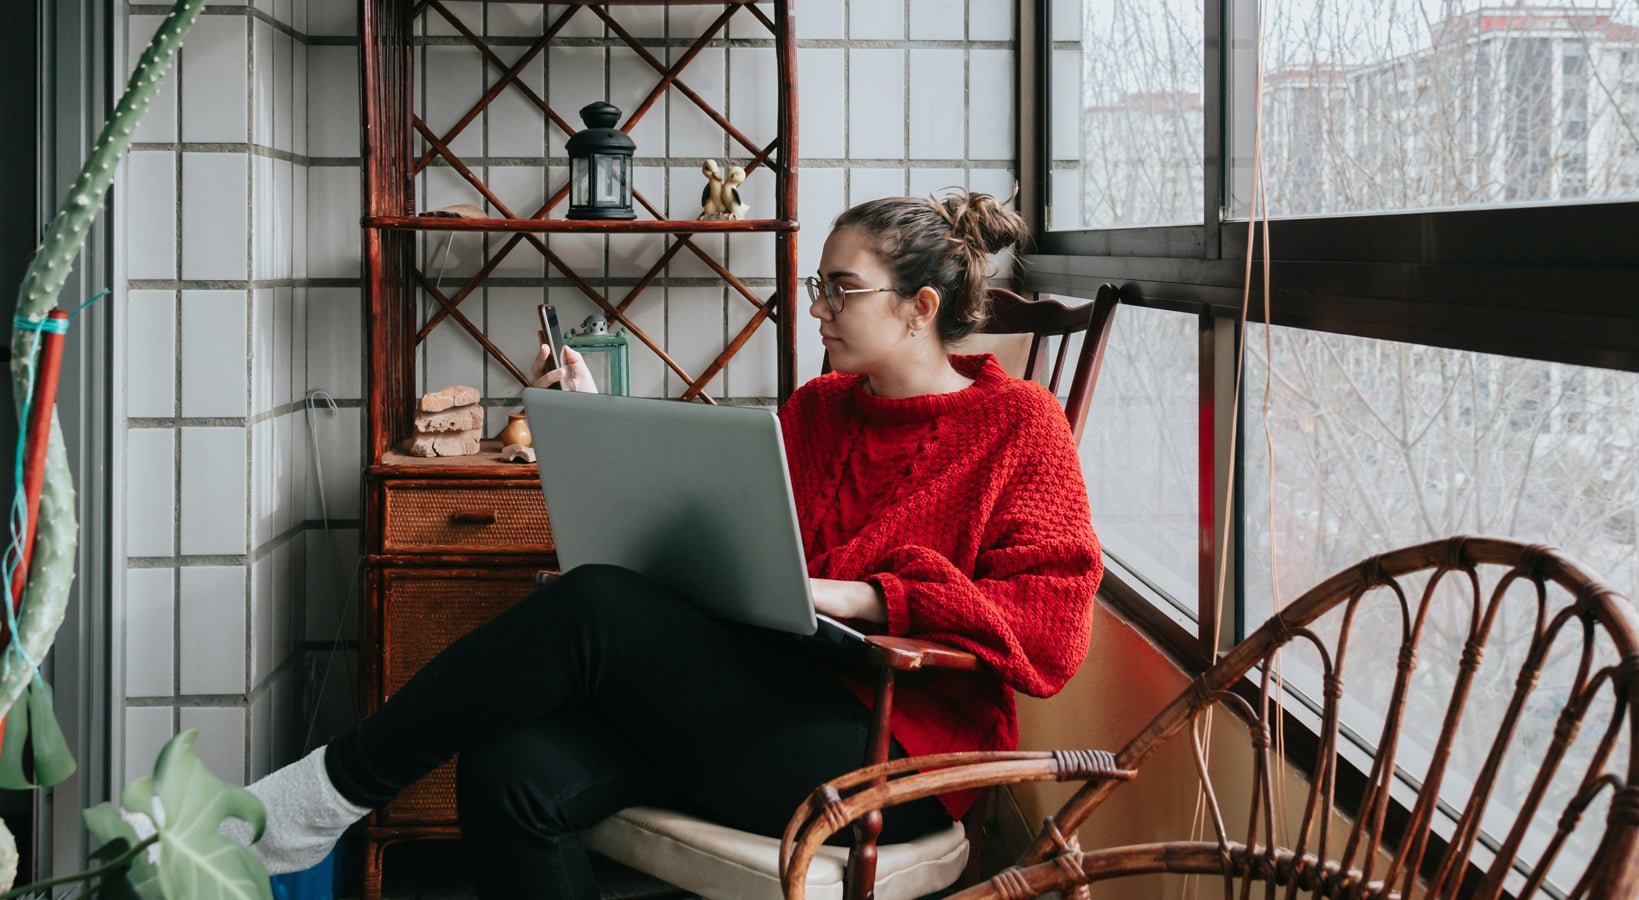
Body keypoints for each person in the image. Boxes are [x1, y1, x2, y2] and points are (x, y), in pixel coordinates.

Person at [230, 189, 1105, 897]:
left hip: (893, 753)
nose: (819, 308)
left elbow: (1051, 625)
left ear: (919, 309)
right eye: (818, 287)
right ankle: (325, 797)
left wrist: (868, 594)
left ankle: (326, 793)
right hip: (772, 704)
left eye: (841, 289)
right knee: (507, 770)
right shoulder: (817, 409)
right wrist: (604, 419)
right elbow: (729, 533)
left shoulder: (1018, 424)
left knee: (594, 604)